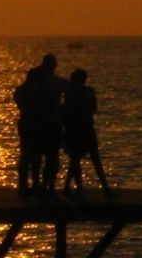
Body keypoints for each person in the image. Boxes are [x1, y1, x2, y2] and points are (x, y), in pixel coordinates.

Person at [14, 53, 66, 194]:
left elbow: (18, 99)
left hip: (31, 123)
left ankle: (32, 184)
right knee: (45, 156)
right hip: (43, 124)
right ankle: (41, 185)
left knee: (31, 155)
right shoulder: (48, 86)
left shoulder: (26, 88)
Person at [61, 68, 110, 200]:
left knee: (75, 159)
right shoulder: (89, 92)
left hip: (73, 129)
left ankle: (77, 189)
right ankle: (105, 188)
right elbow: (94, 109)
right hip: (86, 128)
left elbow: (66, 110)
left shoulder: (69, 93)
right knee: (94, 159)